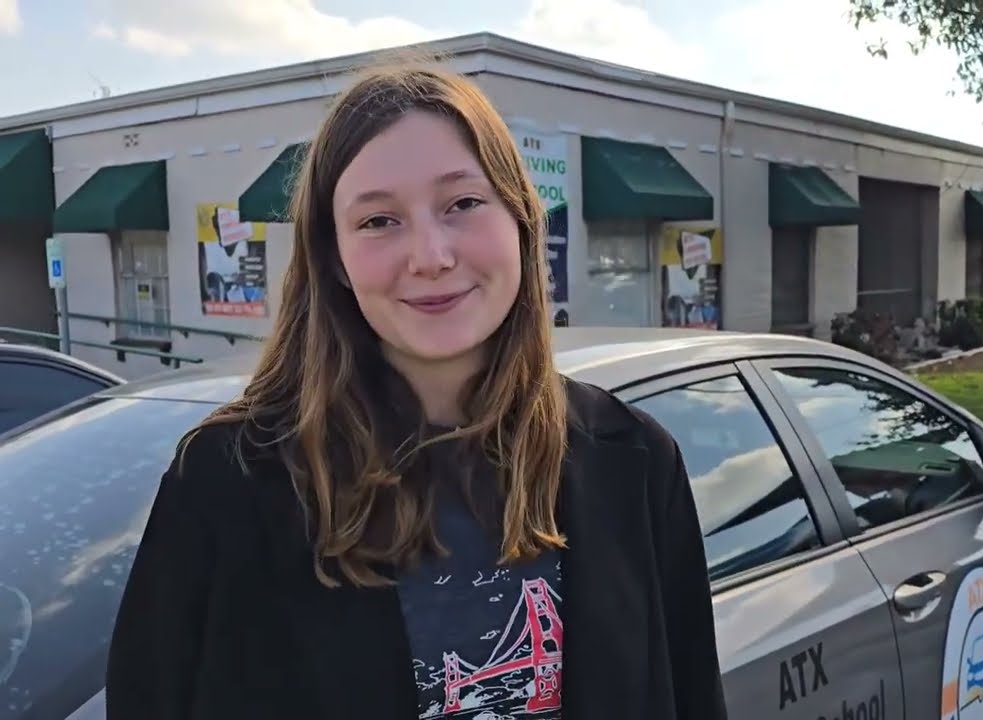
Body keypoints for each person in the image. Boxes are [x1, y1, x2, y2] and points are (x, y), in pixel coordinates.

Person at [105, 54, 727, 720]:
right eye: (378, 220)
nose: (431, 256)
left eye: (464, 203)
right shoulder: (226, 484)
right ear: (334, 259)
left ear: (521, 220)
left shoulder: (634, 461)